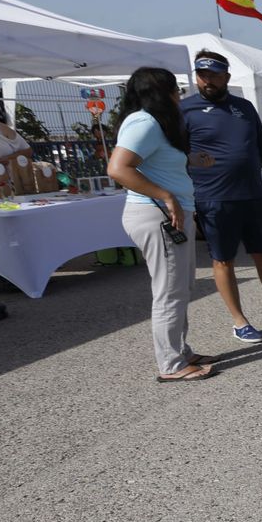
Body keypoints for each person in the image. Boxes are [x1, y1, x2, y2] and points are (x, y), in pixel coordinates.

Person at [181, 50, 262, 344]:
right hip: (213, 198)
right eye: (202, 76)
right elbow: (174, 156)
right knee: (223, 259)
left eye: (213, 75)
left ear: (226, 76)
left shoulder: (244, 108)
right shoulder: (185, 111)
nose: (207, 81)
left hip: (254, 195)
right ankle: (240, 322)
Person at [107, 68, 214, 382]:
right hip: (157, 215)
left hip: (168, 215)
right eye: (175, 90)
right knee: (170, 291)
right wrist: (166, 196)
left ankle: (180, 351)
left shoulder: (153, 124)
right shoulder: (145, 122)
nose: (179, 96)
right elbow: (118, 168)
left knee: (181, 287)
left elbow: (155, 162)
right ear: (162, 92)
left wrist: (191, 160)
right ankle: (172, 364)